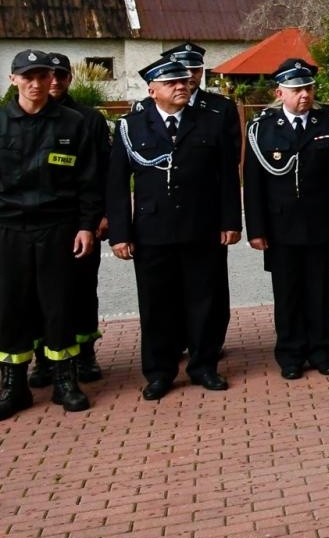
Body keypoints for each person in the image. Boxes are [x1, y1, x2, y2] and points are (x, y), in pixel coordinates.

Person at [107, 57, 241, 399]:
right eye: (171, 83)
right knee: (156, 304)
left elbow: (227, 175)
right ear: (152, 90)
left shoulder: (209, 121)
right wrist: (120, 233)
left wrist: (230, 221)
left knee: (204, 300)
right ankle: (159, 372)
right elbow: (117, 184)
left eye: (184, 81)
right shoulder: (131, 126)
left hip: (202, 225)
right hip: (153, 230)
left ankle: (204, 365)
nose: (182, 86)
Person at [0, 51, 103, 419]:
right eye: (28, 76)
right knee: (10, 307)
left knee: (59, 304)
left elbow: (89, 181)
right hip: (8, 229)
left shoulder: (73, 124)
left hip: (58, 228)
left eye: (43, 76)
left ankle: (65, 381)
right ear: (13, 80)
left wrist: (87, 225)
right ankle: (14, 386)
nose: (37, 83)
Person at [242, 58, 329, 378]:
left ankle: (322, 351)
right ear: (280, 92)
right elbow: (252, 183)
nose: (304, 94)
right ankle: (291, 355)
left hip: (321, 223)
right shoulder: (261, 127)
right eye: (296, 89)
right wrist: (256, 229)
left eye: (307, 87)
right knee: (288, 293)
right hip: (280, 227)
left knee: (320, 291)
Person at [35, 52, 111, 388]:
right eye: (47, 75)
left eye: (61, 76)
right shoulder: (27, 115)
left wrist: (103, 214)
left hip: (81, 220)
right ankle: (43, 360)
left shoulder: (89, 119)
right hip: (37, 225)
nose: (54, 82)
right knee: (38, 294)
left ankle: (85, 354)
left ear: (69, 79)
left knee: (82, 290)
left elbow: (103, 171)